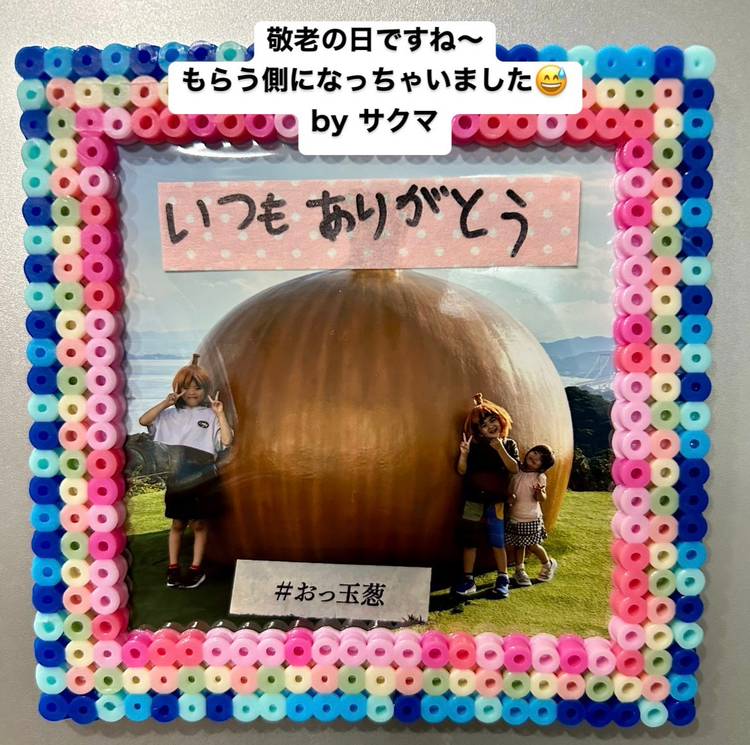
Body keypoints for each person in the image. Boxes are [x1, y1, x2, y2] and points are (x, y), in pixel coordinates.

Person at [138, 354, 233, 589]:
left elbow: (227, 441)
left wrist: (220, 413)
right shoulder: (169, 415)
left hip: (204, 476)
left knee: (199, 524)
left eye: (197, 388)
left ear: (205, 390)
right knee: (178, 523)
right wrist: (165, 403)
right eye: (187, 387)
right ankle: (173, 568)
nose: (192, 392)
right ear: (178, 389)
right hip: (178, 476)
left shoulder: (211, 415)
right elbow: (144, 420)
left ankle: (195, 569)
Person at [454, 393, 519, 600]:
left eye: (493, 420)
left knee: (497, 540)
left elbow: (514, 468)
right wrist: (464, 454)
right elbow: (462, 471)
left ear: (501, 420)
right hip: (473, 500)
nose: (490, 426)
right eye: (484, 425)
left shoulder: (508, 444)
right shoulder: (474, 446)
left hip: (496, 502)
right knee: (470, 541)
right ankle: (468, 579)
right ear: (478, 431)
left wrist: (500, 448)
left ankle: (503, 578)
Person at [506, 445, 558, 586]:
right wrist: (509, 497)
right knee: (518, 544)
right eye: (534, 452)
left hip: (531, 517)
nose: (535, 457)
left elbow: (541, 498)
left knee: (532, 545)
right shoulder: (517, 470)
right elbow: (510, 490)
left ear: (542, 466)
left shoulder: (539, 477)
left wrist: (539, 492)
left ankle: (548, 564)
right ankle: (520, 570)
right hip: (515, 515)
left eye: (540, 458)